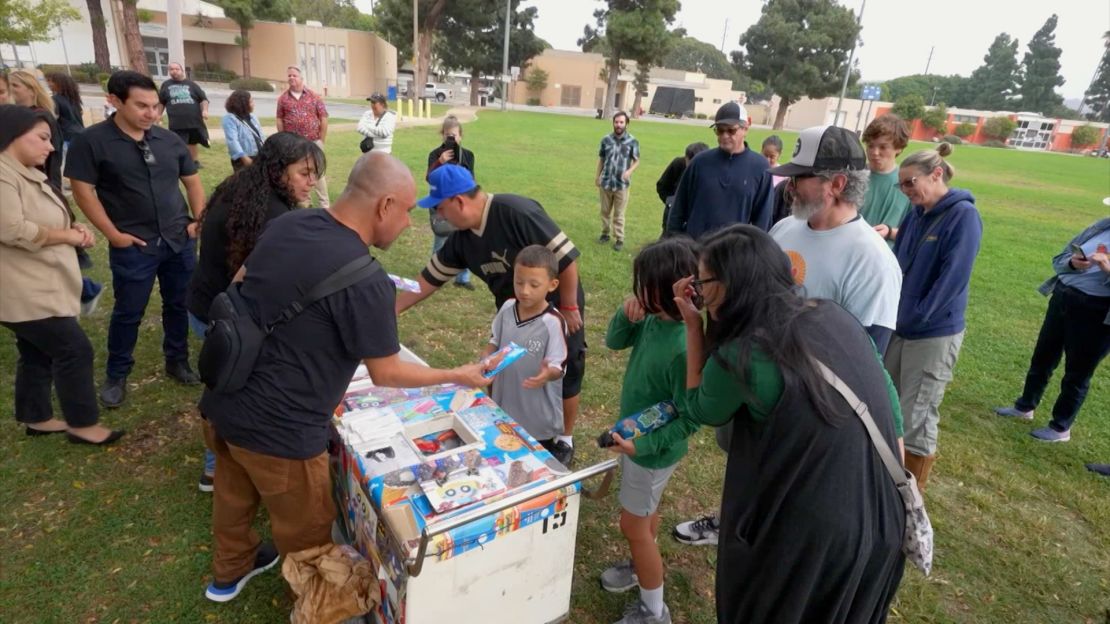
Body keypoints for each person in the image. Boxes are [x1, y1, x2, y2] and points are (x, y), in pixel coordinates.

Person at [199, 152, 492, 603]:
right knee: (310, 532)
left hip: (225, 396)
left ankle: (229, 573)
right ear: (384, 205)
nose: (409, 226)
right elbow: (387, 371)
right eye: (409, 213)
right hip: (283, 430)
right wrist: (458, 373)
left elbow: (242, 280)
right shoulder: (366, 279)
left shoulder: (289, 224)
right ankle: (321, 606)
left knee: (234, 494)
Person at [673, 224, 905, 623]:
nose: (697, 288)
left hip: (809, 536)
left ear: (730, 286)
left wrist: (695, 327)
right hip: (883, 518)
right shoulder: (834, 314)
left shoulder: (741, 355)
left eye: (702, 281)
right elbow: (886, 394)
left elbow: (701, 408)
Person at [396, 165, 586, 467]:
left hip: (558, 307)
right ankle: (512, 424)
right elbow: (428, 279)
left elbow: (567, 258)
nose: (440, 216)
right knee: (510, 368)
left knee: (564, 369)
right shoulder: (461, 239)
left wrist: (570, 306)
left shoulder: (516, 212)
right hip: (512, 313)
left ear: (459, 201)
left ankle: (564, 438)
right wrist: (392, 311)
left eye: (441, 208)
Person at [187, 132, 323, 492]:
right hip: (226, 319)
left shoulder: (243, 185)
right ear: (279, 171)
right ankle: (219, 470)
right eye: (304, 173)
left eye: (315, 174)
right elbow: (256, 281)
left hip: (206, 306)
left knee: (224, 384)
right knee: (233, 391)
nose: (312, 182)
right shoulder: (273, 216)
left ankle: (219, 466)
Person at [65, 70, 206, 408]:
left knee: (178, 304)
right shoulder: (93, 141)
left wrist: (198, 220)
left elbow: (193, 182)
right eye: (142, 106)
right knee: (129, 311)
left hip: (178, 239)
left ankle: (177, 360)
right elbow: (83, 191)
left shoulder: (169, 140)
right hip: (135, 244)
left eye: (156, 106)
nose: (152, 114)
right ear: (114, 101)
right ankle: (117, 374)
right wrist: (113, 234)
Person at [0, 104, 124, 445]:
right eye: (42, 138)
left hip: (40, 285)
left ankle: (36, 416)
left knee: (36, 351)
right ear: (12, 135)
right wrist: (67, 236)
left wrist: (74, 226)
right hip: (22, 289)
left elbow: (45, 216)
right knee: (74, 350)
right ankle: (83, 426)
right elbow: (11, 229)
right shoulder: (2, 174)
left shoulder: (25, 171)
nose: (50, 146)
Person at [599, 238, 702, 624]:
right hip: (638, 446)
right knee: (645, 515)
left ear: (664, 289)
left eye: (641, 284)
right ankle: (641, 561)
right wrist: (628, 316)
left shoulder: (682, 348)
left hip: (650, 453)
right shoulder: (654, 319)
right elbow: (613, 341)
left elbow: (691, 418)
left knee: (632, 524)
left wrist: (643, 448)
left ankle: (653, 610)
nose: (635, 291)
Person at [885, 143, 982, 490]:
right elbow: (901, 262)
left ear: (936, 174)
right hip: (900, 325)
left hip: (932, 333)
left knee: (917, 417)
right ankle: (884, 482)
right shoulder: (915, 213)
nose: (906, 191)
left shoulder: (963, 216)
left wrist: (917, 317)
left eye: (911, 183)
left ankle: (910, 504)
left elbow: (951, 279)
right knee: (889, 403)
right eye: (902, 185)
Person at [768, 125, 903, 355]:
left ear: (837, 184)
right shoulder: (783, 228)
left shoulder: (874, 262)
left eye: (798, 177)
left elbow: (864, 360)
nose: (789, 186)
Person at [993, 216, 1109, 442]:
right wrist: (1073, 264)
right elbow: (1061, 258)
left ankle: (1060, 427)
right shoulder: (1101, 226)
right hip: (1064, 297)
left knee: (1078, 372)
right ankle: (1025, 406)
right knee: (1043, 357)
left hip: (1097, 311)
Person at [10, 69, 102, 316]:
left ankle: (83, 289)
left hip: (43, 188)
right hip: (29, 191)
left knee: (53, 245)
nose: (9, 92)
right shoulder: (18, 119)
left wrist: (54, 194)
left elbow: (52, 156)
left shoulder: (40, 117)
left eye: (13, 87)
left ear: (30, 88)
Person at [480, 245, 567, 453]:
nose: (524, 290)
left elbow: (558, 366)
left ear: (552, 285)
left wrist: (548, 374)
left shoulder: (553, 322)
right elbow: (494, 340)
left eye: (534, 284)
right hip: (504, 404)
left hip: (537, 416)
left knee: (533, 460)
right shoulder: (508, 307)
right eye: (519, 282)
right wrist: (486, 355)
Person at [665, 102, 773, 238]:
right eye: (719, 130)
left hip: (733, 254)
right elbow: (678, 209)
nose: (724, 135)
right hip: (695, 251)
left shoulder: (760, 167)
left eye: (731, 130)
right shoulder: (700, 162)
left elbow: (762, 221)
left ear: (745, 128)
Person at [426, 115, 474, 289]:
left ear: (460, 136)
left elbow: (470, 180)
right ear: (442, 135)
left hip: (460, 204)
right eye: (448, 135)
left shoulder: (467, 155)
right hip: (441, 204)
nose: (451, 138)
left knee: (464, 240)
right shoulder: (435, 154)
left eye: (454, 135)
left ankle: (463, 278)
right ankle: (432, 277)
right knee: (441, 240)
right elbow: (430, 178)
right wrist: (440, 162)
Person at [275, 66, 330, 208]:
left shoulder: (314, 96)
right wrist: (283, 138)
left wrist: (321, 140)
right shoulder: (283, 99)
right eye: (289, 76)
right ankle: (305, 205)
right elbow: (279, 119)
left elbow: (323, 117)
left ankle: (324, 205)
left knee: (318, 173)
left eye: (294, 75)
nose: (291, 78)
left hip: (313, 142)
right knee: (298, 173)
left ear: (301, 78)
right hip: (293, 145)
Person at [860, 114, 913, 249]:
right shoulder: (853, 176)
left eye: (883, 147)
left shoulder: (909, 184)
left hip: (885, 261)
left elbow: (917, 233)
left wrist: (890, 232)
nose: (874, 152)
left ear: (899, 147)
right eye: (870, 146)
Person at [596, 110, 640, 252]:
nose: (618, 125)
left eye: (621, 122)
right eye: (616, 122)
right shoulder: (606, 140)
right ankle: (605, 234)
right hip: (606, 182)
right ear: (613, 123)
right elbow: (602, 159)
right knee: (604, 211)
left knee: (619, 214)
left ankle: (619, 238)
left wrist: (629, 171)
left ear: (626, 124)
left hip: (622, 185)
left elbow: (636, 160)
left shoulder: (632, 141)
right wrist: (597, 176)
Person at [158, 62, 210, 165]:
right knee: (178, 143)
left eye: (177, 69)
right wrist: (158, 115)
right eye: (171, 69)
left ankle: (194, 162)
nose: (174, 71)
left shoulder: (192, 85)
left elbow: (203, 100)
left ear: (182, 71)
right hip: (177, 123)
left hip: (194, 121)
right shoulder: (166, 85)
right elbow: (161, 102)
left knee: (193, 142)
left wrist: (205, 110)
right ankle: (181, 162)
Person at [654, 142, 708, 234]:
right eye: (689, 163)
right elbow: (662, 186)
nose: (692, 168)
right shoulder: (678, 164)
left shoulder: (711, 171)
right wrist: (671, 202)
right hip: (674, 215)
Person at [220, 89, 265, 171]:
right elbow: (232, 141)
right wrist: (244, 158)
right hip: (244, 158)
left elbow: (261, 136)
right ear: (243, 104)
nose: (253, 104)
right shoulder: (230, 119)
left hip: (259, 155)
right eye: (251, 102)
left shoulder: (253, 117)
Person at [45, 72, 85, 151]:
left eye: (51, 81)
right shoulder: (74, 98)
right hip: (80, 135)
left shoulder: (55, 99)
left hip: (65, 138)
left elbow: (53, 119)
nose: (48, 84)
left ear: (59, 83)